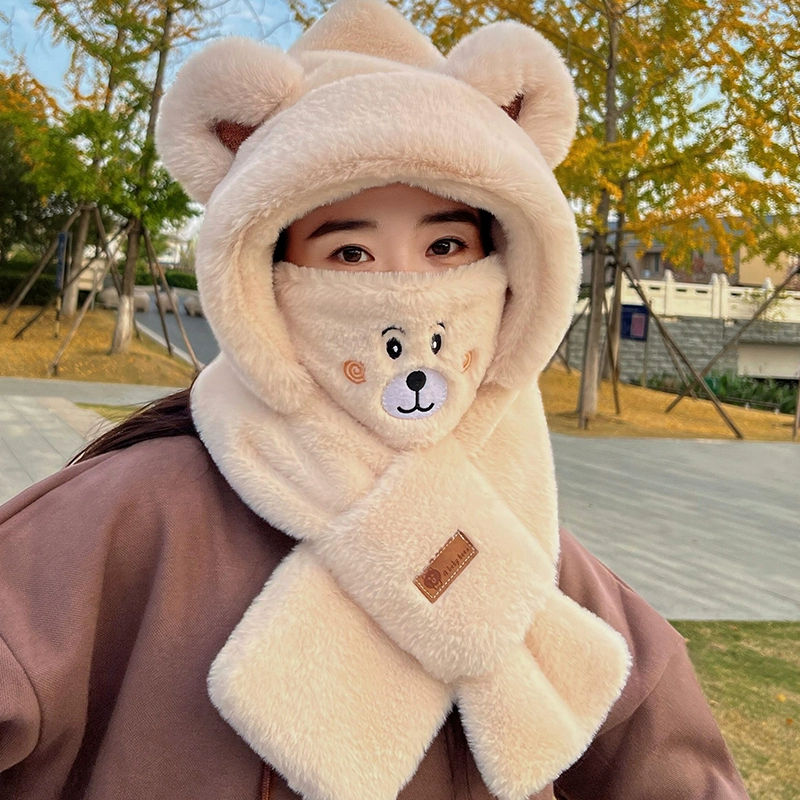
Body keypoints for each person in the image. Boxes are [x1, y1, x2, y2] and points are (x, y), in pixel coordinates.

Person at [0, 1, 750, 799]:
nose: (407, 292)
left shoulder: (528, 548)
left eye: (446, 245)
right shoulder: (132, 516)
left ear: (513, 269)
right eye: (350, 251)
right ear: (263, 278)